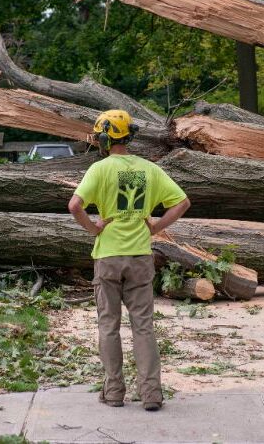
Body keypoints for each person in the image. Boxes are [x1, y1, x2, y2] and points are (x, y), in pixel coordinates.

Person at [68, 109, 191, 411]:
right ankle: (151, 394)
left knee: (108, 325)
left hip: (108, 257)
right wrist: (157, 226)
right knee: (144, 326)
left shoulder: (100, 169)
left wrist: (94, 228)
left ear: (104, 138)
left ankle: (113, 392)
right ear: (129, 136)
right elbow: (183, 202)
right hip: (139, 257)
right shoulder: (149, 169)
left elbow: (74, 205)